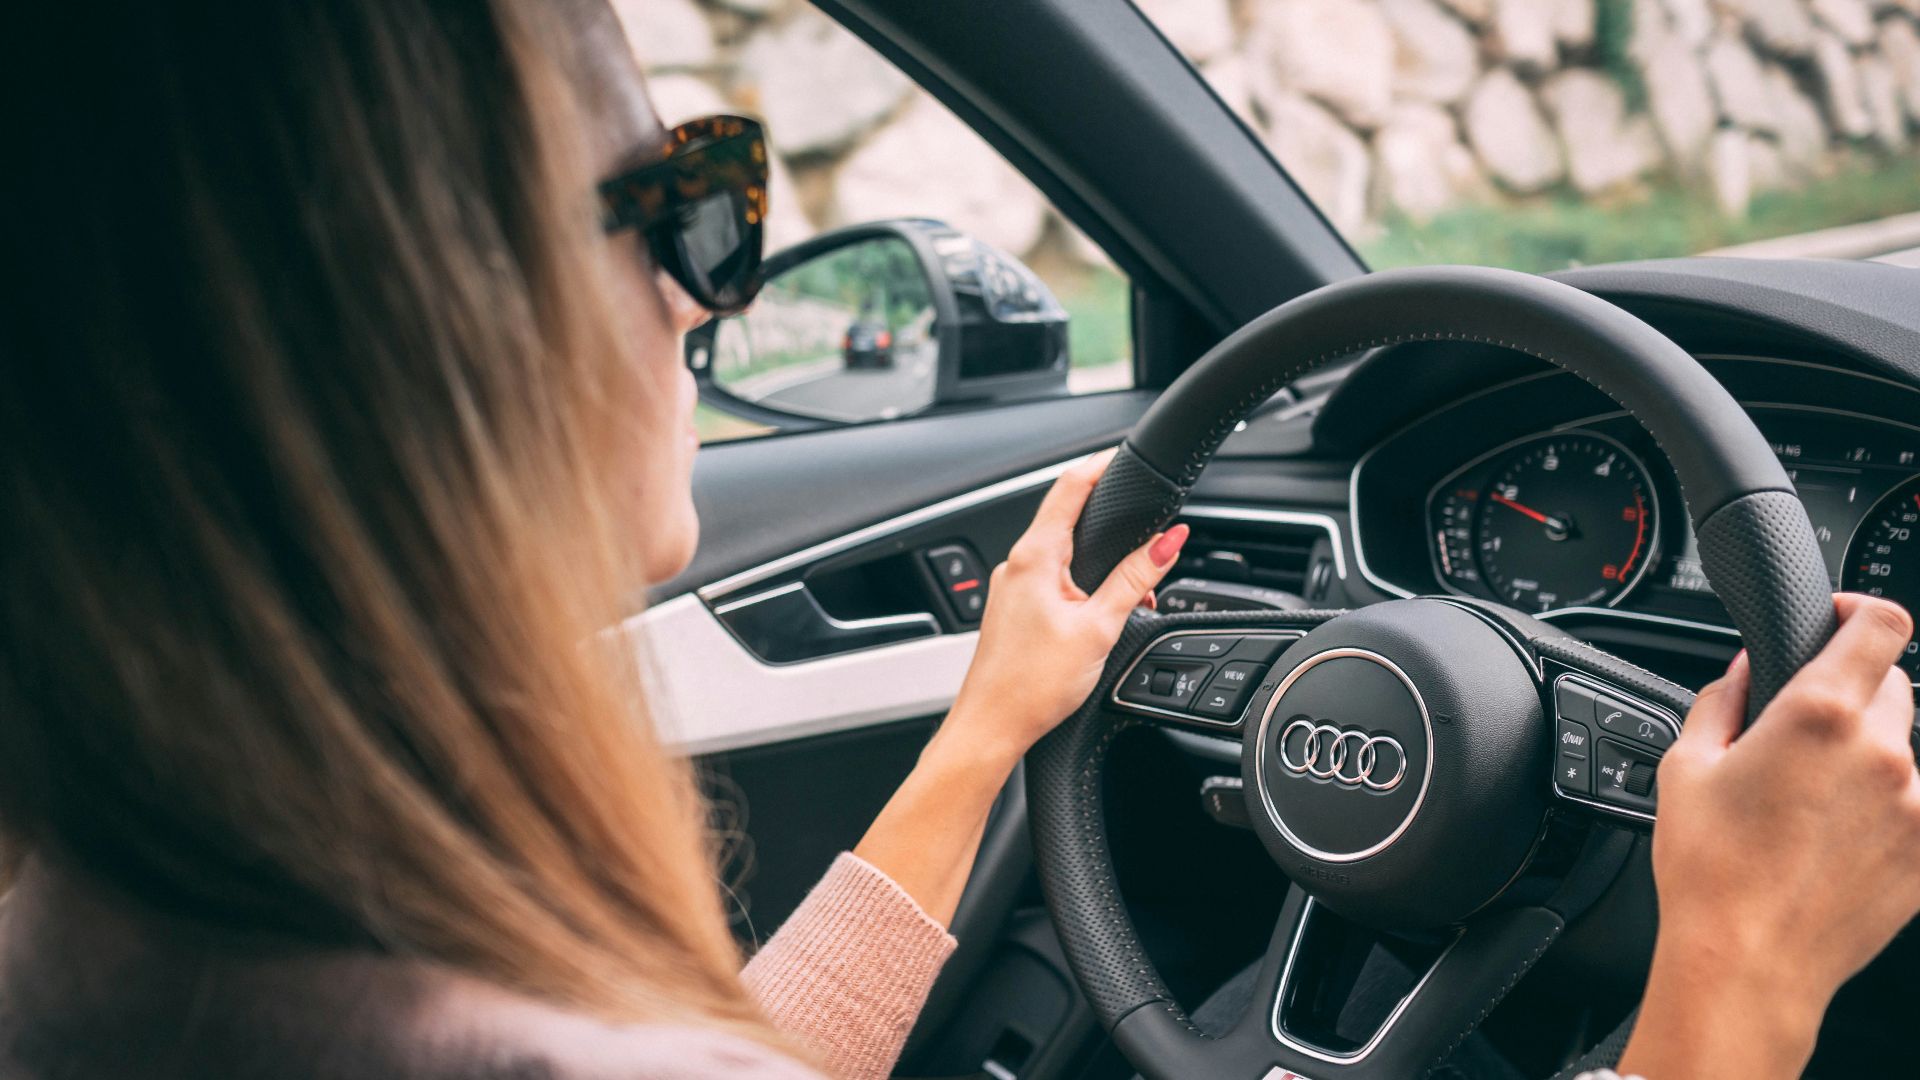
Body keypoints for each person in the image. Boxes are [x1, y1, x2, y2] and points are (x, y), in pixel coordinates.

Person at [0, 3, 1914, 1079]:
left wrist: (986, 737)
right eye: (690, 207)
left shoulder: (96, 948)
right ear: (428, 313)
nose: (705, 298)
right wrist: (1736, 969)